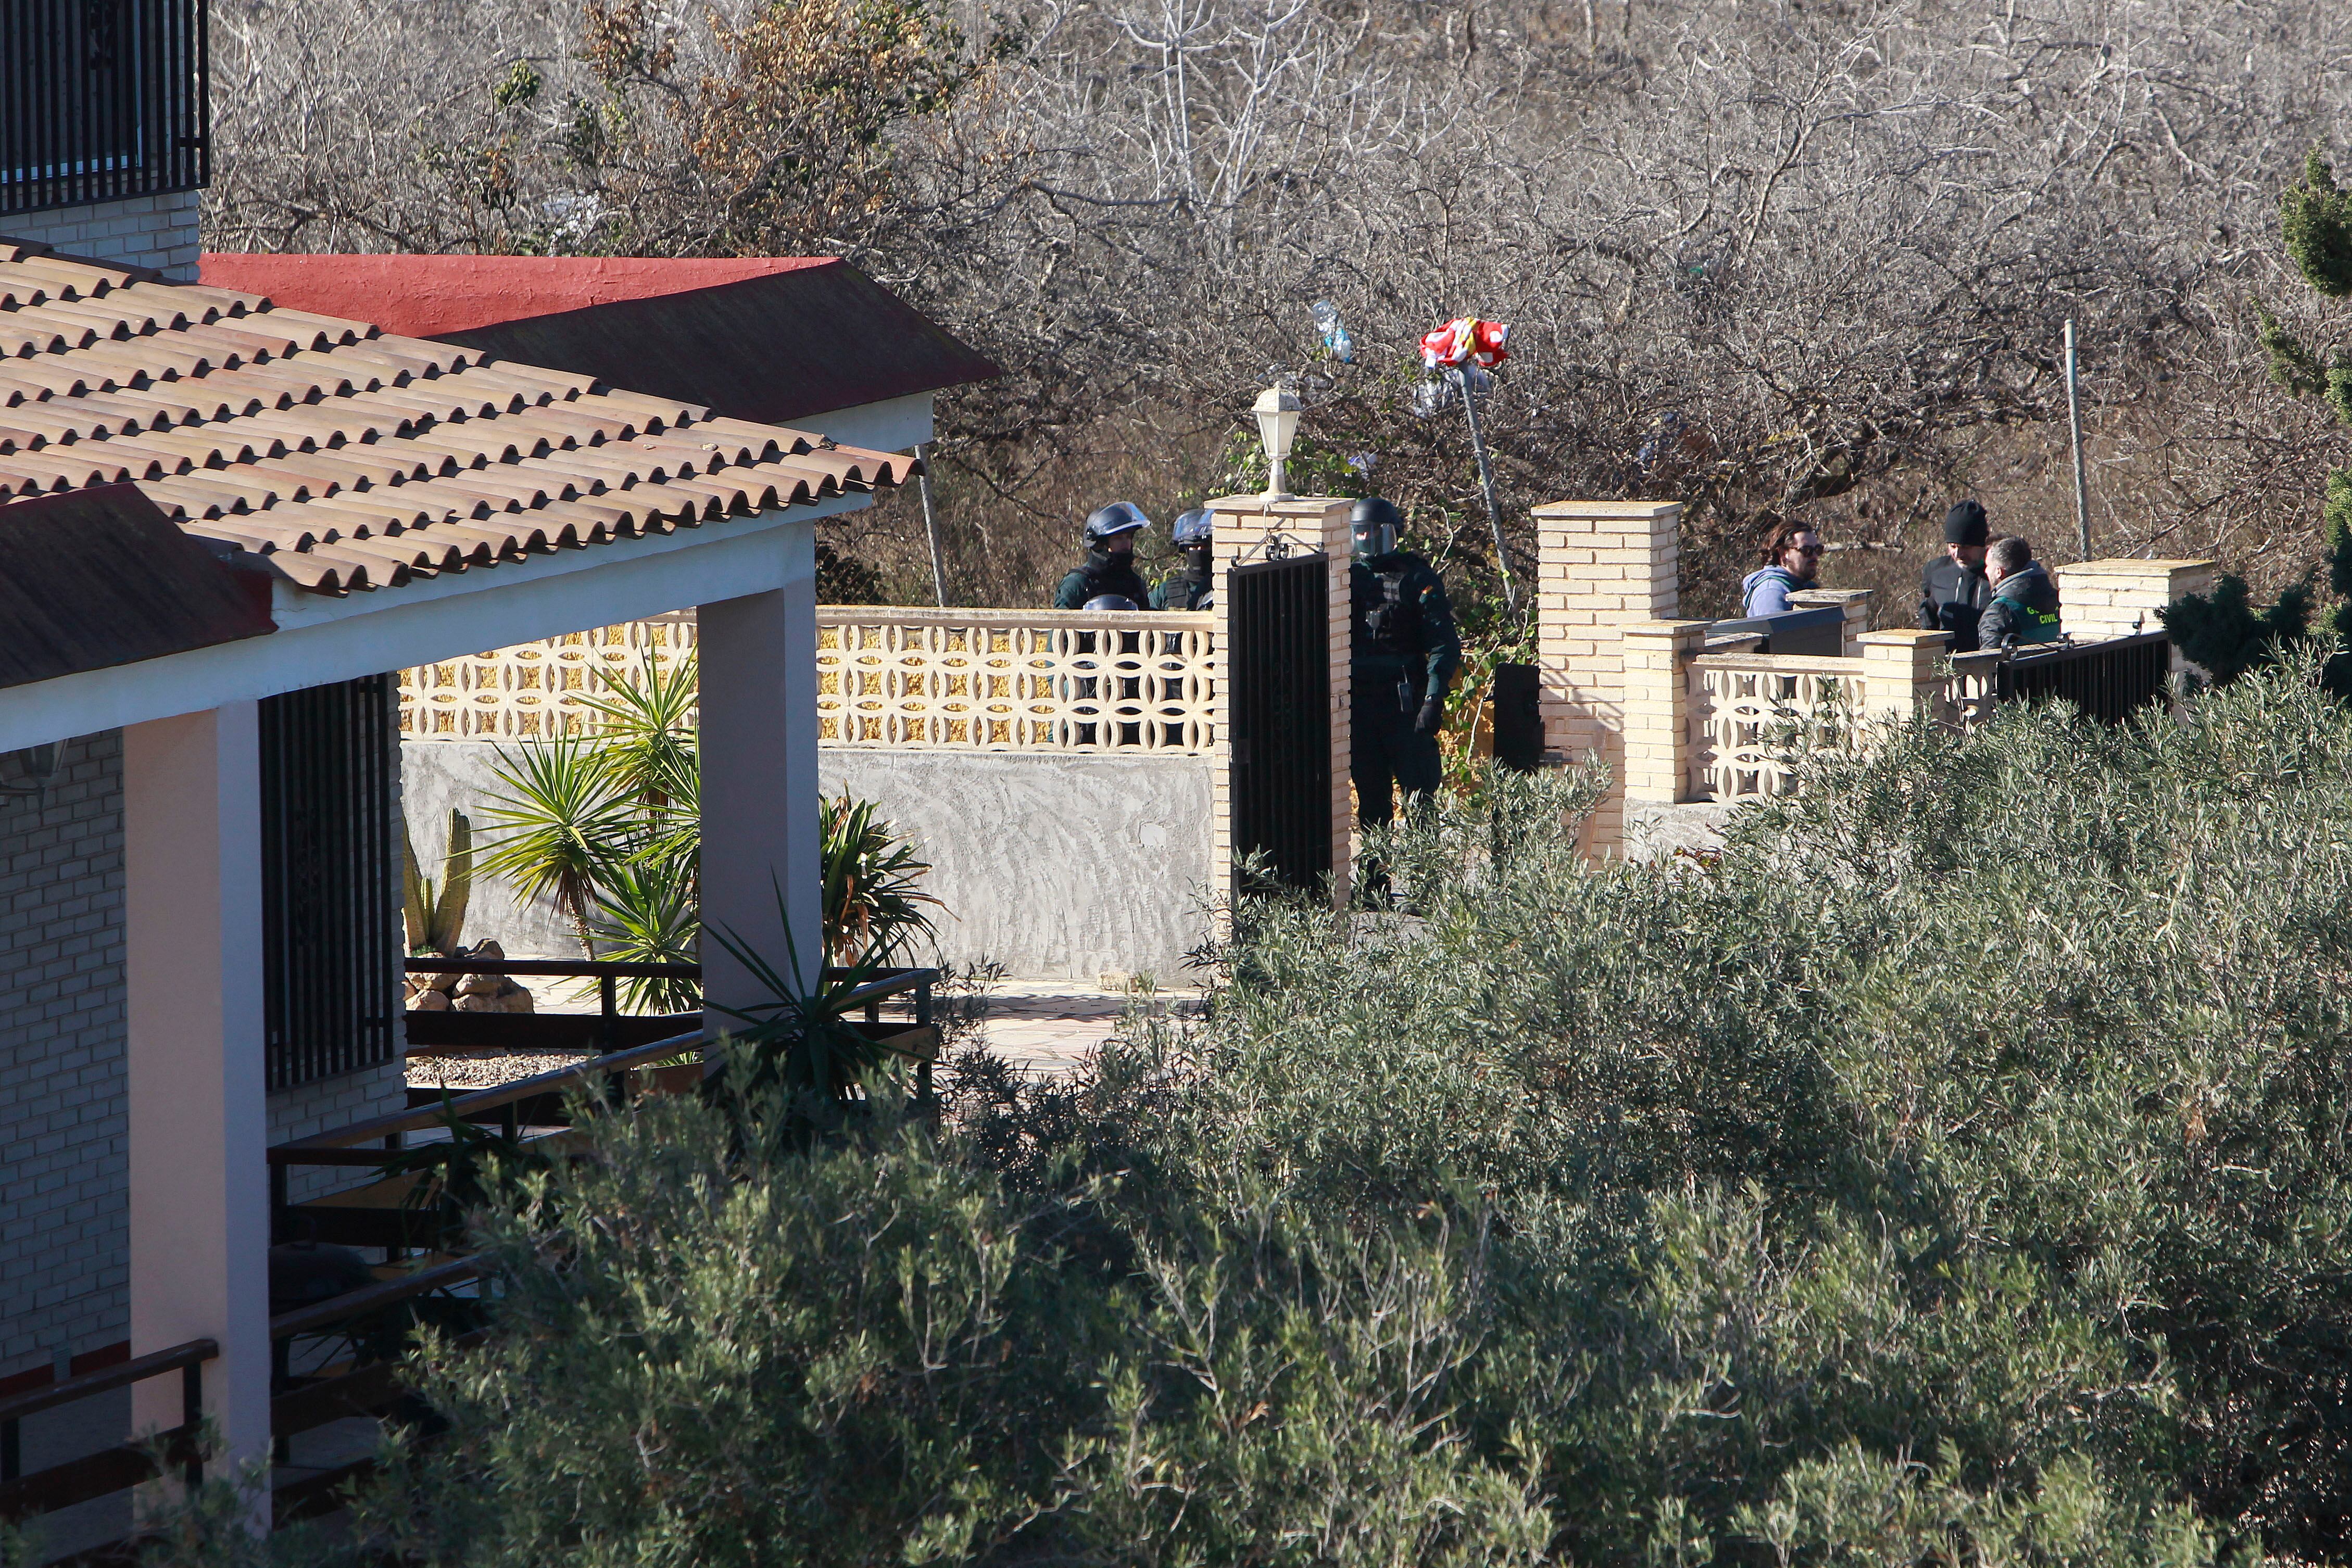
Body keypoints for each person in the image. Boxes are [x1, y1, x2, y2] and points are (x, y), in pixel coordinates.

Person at [1350, 497, 1461, 838]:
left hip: (1405, 705)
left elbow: (1444, 645)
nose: (1367, 540)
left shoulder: (1415, 578)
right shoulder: (1345, 577)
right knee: (1371, 802)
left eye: (1374, 532)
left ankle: (1427, 888)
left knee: (1419, 799)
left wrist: (1431, 700)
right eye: (1360, 533)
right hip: (1360, 706)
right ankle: (1374, 889)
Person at [1919, 500, 1993, 652]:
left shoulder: (1999, 573)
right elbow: (1928, 618)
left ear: (1983, 544)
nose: (1958, 554)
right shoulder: (1936, 571)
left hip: (1989, 664)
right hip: (1947, 665)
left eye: (1966, 547)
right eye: (1953, 546)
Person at [1054, 502, 1155, 609]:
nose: (1126, 543)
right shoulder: (1078, 584)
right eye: (1118, 538)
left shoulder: (1135, 584)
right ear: (1101, 544)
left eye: (1129, 537)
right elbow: (1061, 623)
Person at [1977, 535, 2063, 648]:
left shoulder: (1999, 613)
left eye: (1988, 566)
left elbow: (1988, 661)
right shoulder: (2060, 598)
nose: (1986, 570)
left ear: (1999, 572)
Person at [1740, 522, 1824, 617]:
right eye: (1806, 551)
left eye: (1818, 550)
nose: (1814, 556)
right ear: (1784, 554)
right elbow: (1774, 631)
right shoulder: (1771, 592)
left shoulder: (1809, 587)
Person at [1153, 508, 1213, 610]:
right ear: (1185, 549)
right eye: (1194, 547)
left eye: (1204, 547)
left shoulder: (1224, 589)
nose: (1199, 550)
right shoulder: (1164, 592)